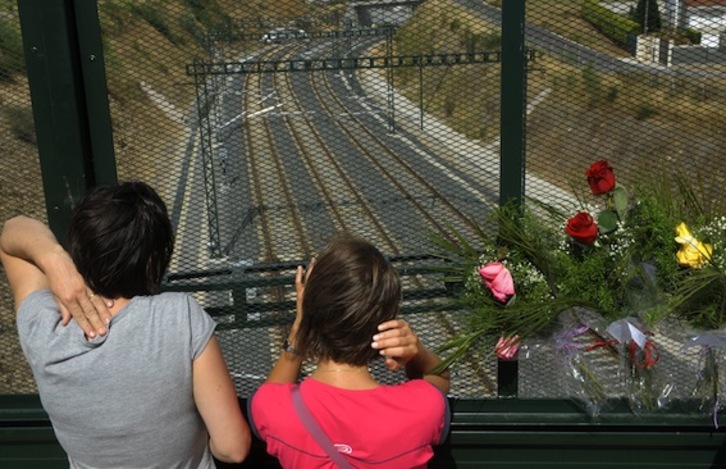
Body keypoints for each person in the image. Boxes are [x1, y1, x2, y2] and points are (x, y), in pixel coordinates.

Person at [0, 181, 251, 467]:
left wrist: (54, 259)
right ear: (151, 263)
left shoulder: (44, 328)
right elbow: (233, 448)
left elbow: (12, 233)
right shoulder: (179, 317)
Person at [248, 235, 451, 468]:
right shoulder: (421, 410)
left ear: (310, 314)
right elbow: (440, 378)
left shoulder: (272, 408)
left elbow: (273, 390)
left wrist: (300, 326)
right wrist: (417, 352)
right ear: (386, 323)